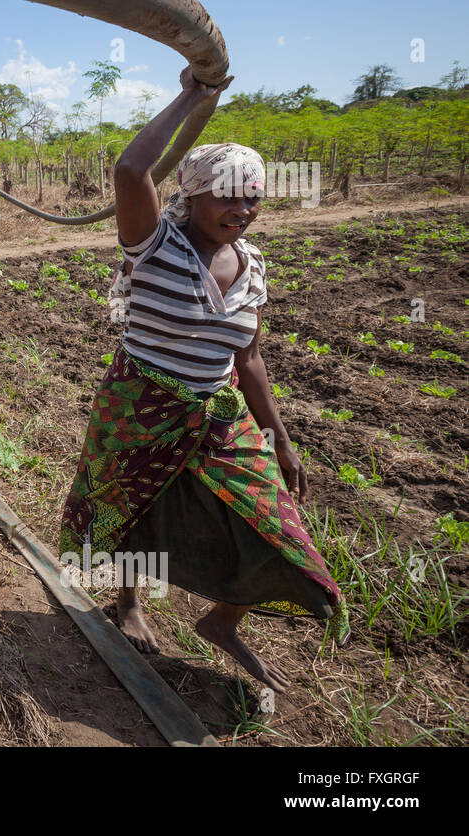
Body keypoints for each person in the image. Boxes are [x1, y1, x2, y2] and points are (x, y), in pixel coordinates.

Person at [58, 67, 347, 693]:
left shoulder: (254, 266)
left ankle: (220, 621)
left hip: (218, 413)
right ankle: (129, 602)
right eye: (227, 196)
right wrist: (192, 97)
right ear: (191, 194)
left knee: (276, 523)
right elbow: (132, 171)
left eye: (253, 198)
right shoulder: (153, 243)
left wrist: (282, 438)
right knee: (129, 503)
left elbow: (248, 360)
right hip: (140, 402)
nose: (241, 210)